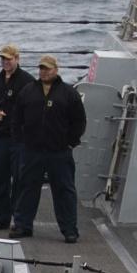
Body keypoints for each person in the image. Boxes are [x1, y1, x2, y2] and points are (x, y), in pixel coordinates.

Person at [10, 54, 87, 241]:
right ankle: (23, 225)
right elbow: (16, 118)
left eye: (47, 68)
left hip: (59, 151)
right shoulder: (28, 91)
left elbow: (79, 121)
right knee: (27, 188)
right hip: (32, 150)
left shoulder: (69, 93)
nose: (43, 72)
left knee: (64, 191)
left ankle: (69, 230)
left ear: (56, 70)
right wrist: (21, 140)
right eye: (41, 68)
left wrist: (70, 142)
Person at [0, 44, 33, 232]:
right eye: (3, 59)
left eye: (8, 59)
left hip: (20, 138)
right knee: (0, 178)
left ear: (17, 59)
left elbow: (33, 108)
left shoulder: (27, 81)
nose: (5, 62)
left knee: (20, 180)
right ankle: (1, 217)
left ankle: (20, 221)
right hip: (2, 136)